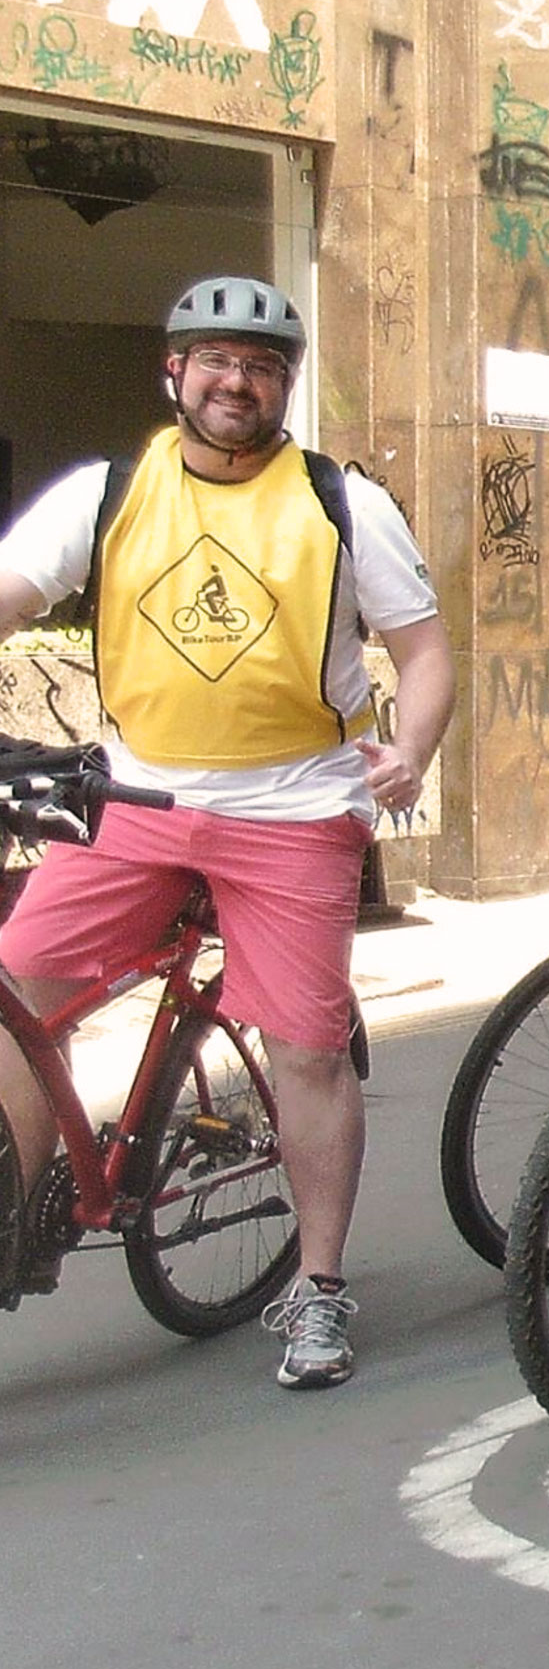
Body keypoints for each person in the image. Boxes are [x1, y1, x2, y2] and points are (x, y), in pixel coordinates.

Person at [0, 276, 455, 1390]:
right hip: (133, 799)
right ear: (175, 373)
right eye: (215, 359)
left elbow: (428, 650)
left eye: (260, 364)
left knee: (303, 1048)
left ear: (284, 386)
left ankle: (318, 1285)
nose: (235, 380)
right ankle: (21, 1216)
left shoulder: (343, 502)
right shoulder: (107, 493)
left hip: (296, 808)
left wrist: (413, 749)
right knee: (18, 999)